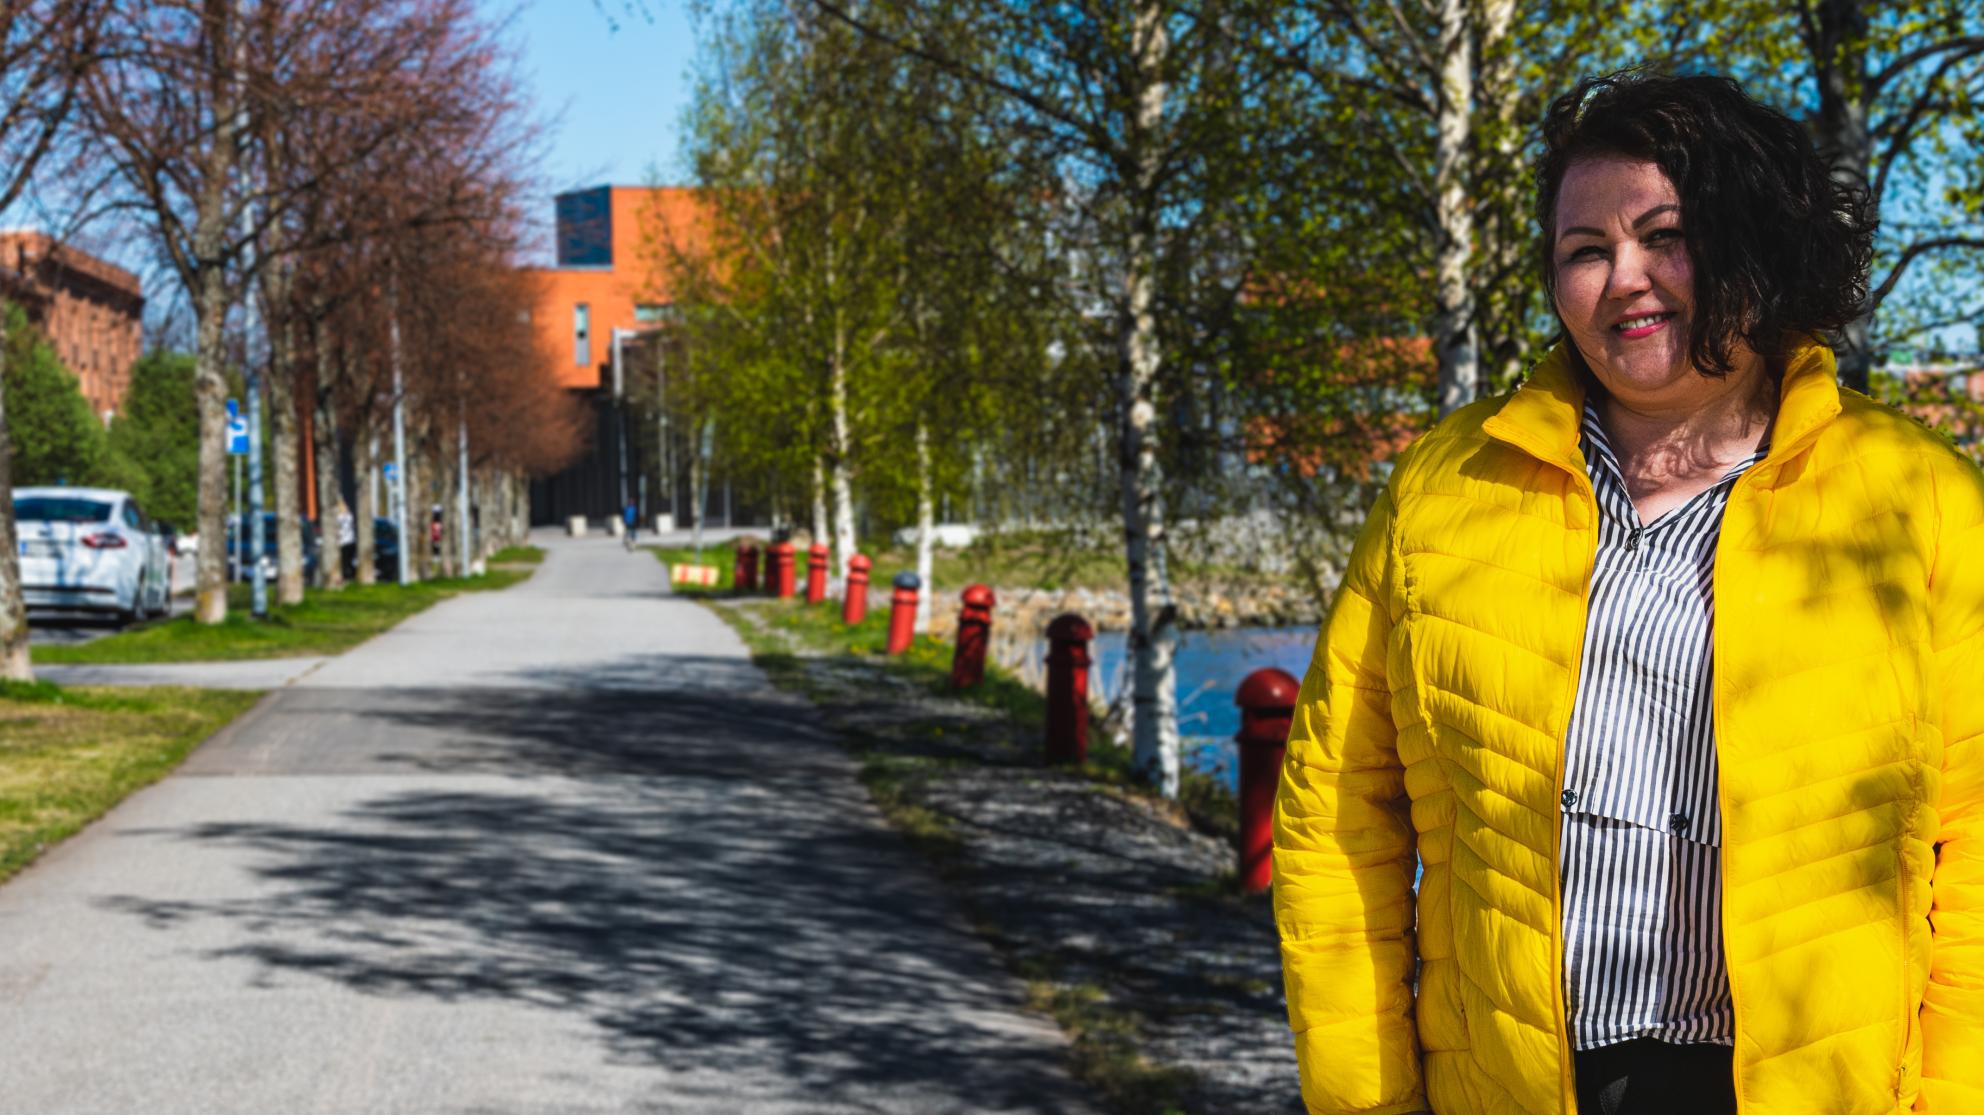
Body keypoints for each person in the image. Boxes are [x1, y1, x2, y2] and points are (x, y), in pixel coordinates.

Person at [1273, 71, 1983, 1115]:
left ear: (1756, 242)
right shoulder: (1443, 487)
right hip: (1509, 1085)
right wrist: (1364, 1099)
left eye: (1664, 235)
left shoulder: (1918, 499)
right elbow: (1336, 817)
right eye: (1584, 250)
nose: (1623, 279)